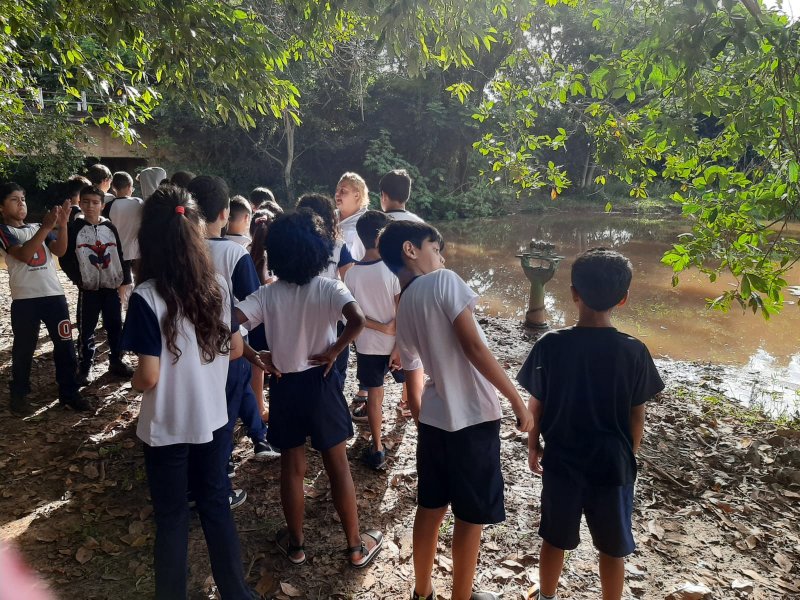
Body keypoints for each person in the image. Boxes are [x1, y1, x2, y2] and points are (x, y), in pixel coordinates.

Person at [377, 220, 534, 600]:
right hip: (474, 417)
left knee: (430, 507)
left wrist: (418, 414)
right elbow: (474, 348)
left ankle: (422, 591)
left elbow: (411, 366)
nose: (441, 256)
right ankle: (462, 595)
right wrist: (516, 399)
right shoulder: (444, 281)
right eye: (435, 247)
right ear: (410, 250)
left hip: (435, 419)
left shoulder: (405, 301)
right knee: (469, 517)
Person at [120, 185, 257, 600]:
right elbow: (235, 348)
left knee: (173, 517)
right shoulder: (216, 285)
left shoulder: (146, 298)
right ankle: (237, 592)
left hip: (165, 428)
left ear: (151, 240)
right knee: (216, 506)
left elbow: (148, 376)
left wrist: (132, 383)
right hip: (214, 420)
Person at [235, 211, 383, 569]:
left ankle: (297, 545)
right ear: (319, 251)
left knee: (292, 467)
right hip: (322, 384)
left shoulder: (267, 294)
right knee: (338, 467)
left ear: (277, 254)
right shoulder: (330, 287)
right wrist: (335, 350)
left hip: (284, 385)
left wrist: (256, 357)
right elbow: (358, 321)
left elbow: (229, 325)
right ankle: (354, 547)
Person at [516, 248, 665, 600]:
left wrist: (532, 445)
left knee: (554, 538)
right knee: (612, 547)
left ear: (573, 293)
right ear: (624, 298)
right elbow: (636, 415)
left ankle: (547, 597)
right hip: (612, 465)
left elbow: (536, 405)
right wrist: (629, 453)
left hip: (563, 462)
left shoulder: (551, 345)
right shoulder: (634, 351)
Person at [187, 176, 277, 502]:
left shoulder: (176, 254)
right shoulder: (235, 254)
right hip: (228, 350)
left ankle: (192, 484)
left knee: (198, 417)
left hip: (186, 352)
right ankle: (217, 488)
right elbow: (253, 305)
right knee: (221, 422)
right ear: (225, 213)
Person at [0, 183, 88, 413]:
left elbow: (59, 250)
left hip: (54, 296)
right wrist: (47, 226)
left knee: (66, 346)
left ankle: (69, 393)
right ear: (1, 207)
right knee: (23, 350)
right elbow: (25, 255)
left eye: (23, 198)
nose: (21, 203)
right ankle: (19, 394)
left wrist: (62, 225)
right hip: (26, 300)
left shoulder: (38, 226)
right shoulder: (4, 231)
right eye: (14, 199)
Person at [343, 211, 405, 470]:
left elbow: (352, 318)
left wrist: (379, 327)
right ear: (383, 238)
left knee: (375, 397)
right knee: (413, 392)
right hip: (397, 347)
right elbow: (403, 309)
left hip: (368, 346)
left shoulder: (351, 275)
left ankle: (377, 448)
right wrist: (397, 339)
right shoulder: (394, 269)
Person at [60, 185, 133, 385]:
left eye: (95, 203)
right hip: (89, 290)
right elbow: (65, 258)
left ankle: (117, 360)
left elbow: (120, 254)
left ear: (102, 205)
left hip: (111, 287)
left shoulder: (110, 227)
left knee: (115, 325)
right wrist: (79, 279)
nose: (90, 207)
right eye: (86, 202)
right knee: (86, 329)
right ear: (80, 203)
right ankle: (85, 367)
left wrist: (124, 281)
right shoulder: (74, 228)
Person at [102, 171, 143, 271]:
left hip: (115, 253)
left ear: (113, 187)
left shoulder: (108, 206)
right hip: (135, 253)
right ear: (129, 186)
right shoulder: (138, 203)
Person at [335, 172, 369, 261]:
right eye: (337, 190)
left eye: (342, 191)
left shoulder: (368, 222)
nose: (337, 194)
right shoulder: (328, 217)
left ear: (356, 195)